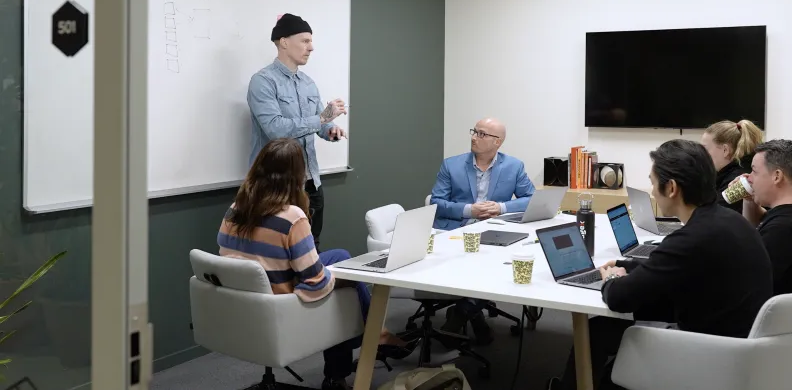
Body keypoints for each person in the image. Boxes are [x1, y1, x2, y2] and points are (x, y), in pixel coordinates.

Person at [549, 139, 773, 390]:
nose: (653, 191)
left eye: (654, 182)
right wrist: (628, 267)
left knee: (606, 337)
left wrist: (611, 278)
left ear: (672, 188)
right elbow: (675, 269)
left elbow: (620, 298)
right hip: (740, 346)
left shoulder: (691, 238)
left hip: (710, 353)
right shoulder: (728, 221)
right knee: (602, 328)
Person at [218, 138, 410, 390]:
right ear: (298, 174)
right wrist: (339, 278)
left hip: (242, 304)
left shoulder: (235, 209)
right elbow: (316, 284)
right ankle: (366, 343)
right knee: (345, 288)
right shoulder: (291, 217)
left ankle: (375, 333)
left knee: (339, 256)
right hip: (280, 307)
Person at [430, 117, 535, 344]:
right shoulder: (452, 164)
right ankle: (471, 312)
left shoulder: (513, 166)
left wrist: (501, 207)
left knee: (498, 265)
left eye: (481, 134)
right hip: (457, 232)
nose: (474, 137)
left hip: (495, 231)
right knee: (476, 264)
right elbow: (436, 202)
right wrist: (470, 210)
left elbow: (532, 199)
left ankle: (463, 311)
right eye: (474, 132)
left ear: (497, 142)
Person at [247, 13, 347, 249]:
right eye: (304, 40)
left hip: (311, 182)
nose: (311, 47)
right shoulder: (263, 82)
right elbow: (275, 130)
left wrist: (330, 129)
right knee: (278, 253)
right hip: (275, 186)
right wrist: (322, 117)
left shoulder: (308, 83)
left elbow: (317, 124)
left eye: (311, 41)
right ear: (284, 42)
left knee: (312, 248)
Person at [739, 139, 792, 296]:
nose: (750, 178)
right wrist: (749, 199)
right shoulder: (781, 217)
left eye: (754, 171)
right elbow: (761, 221)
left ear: (777, 176)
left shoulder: (780, 230)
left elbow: (747, 284)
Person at [701, 119, 763, 212]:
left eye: (705, 149)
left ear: (725, 150)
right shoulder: (728, 173)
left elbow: (713, 214)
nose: (702, 154)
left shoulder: (738, 180)